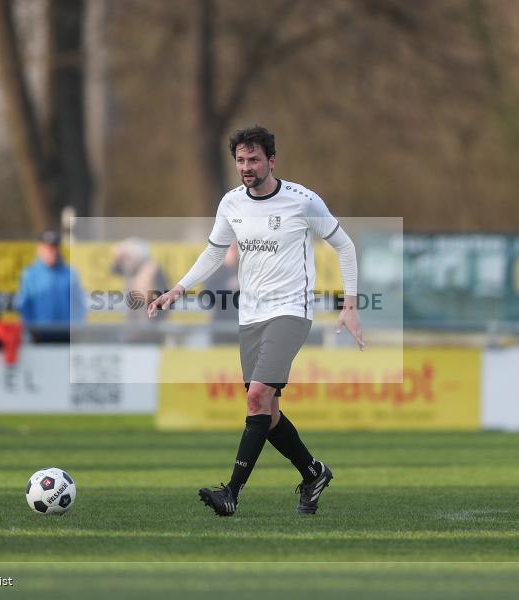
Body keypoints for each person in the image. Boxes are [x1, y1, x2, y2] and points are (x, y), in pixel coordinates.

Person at [148, 125, 363, 516]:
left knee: (256, 398)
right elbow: (214, 253)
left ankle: (231, 492)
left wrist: (350, 303)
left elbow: (344, 245)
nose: (246, 167)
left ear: (272, 161)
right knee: (269, 413)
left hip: (291, 312)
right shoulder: (231, 203)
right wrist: (178, 288)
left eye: (254, 159)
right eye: (241, 160)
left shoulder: (303, 201)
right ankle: (313, 472)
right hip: (251, 317)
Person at [16, 230, 87, 344]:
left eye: (54, 247)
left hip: (65, 334)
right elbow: (24, 306)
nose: (51, 252)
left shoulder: (70, 274)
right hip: (39, 335)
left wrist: (75, 326)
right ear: (39, 249)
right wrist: (31, 329)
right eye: (47, 248)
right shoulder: (30, 274)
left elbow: (78, 304)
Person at [111, 237, 169, 342]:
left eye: (129, 258)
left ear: (139, 258)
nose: (126, 262)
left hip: (150, 330)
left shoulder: (150, 270)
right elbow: (114, 269)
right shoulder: (132, 271)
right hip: (134, 330)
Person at [203, 243, 240, 344]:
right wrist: (228, 287)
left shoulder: (241, 269)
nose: (234, 253)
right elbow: (209, 297)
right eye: (231, 250)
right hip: (221, 324)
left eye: (235, 250)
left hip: (241, 326)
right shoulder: (215, 271)